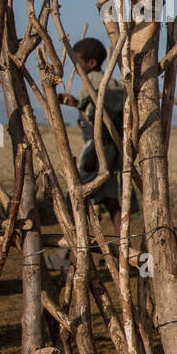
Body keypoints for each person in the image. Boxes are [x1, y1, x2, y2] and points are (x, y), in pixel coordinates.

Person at [58, 37, 126, 227]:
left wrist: (95, 155)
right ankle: (123, 249)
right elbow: (95, 111)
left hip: (99, 147)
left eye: (77, 60)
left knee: (75, 196)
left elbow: (104, 119)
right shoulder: (99, 83)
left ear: (91, 63)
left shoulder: (97, 83)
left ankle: (70, 251)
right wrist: (77, 104)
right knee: (110, 200)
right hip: (108, 147)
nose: (74, 65)